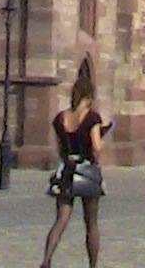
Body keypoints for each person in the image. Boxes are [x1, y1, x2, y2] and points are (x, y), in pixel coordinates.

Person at [41, 64, 105, 268]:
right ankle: (93, 265)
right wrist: (101, 140)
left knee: (60, 220)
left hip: (67, 170)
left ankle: (46, 260)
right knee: (91, 223)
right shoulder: (92, 117)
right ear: (90, 95)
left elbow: (60, 148)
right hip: (86, 170)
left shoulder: (61, 118)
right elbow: (96, 147)